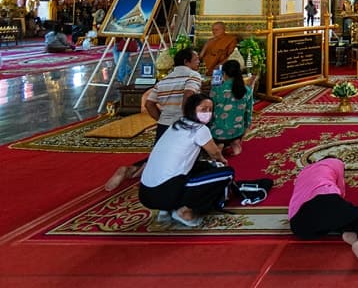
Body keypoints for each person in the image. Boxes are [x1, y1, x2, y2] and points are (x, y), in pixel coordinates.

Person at [104, 48, 202, 191]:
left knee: (161, 154)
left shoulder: (166, 79)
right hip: (181, 123)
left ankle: (131, 169)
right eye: (196, 59)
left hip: (164, 124)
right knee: (180, 157)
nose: (199, 62)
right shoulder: (193, 76)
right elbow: (188, 94)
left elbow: (149, 103)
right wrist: (187, 118)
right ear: (186, 62)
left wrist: (160, 118)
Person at [138, 93, 234, 227]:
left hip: (145, 193)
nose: (207, 113)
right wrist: (222, 161)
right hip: (164, 193)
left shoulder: (176, 125)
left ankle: (165, 210)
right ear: (192, 109)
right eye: (203, 109)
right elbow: (216, 153)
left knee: (203, 166)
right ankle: (183, 210)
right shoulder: (200, 129)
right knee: (226, 172)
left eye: (210, 110)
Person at [288, 157, 358, 274]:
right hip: (323, 199)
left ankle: (347, 234)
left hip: (298, 225)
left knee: (335, 218)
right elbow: (341, 192)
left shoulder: (303, 171)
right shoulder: (336, 163)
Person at [210, 59, 255, 157]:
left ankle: (220, 144)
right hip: (238, 130)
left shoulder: (217, 89)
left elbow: (211, 109)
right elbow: (249, 111)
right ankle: (234, 142)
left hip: (218, 132)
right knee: (233, 133)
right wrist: (247, 127)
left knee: (218, 136)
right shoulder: (246, 90)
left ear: (224, 74)